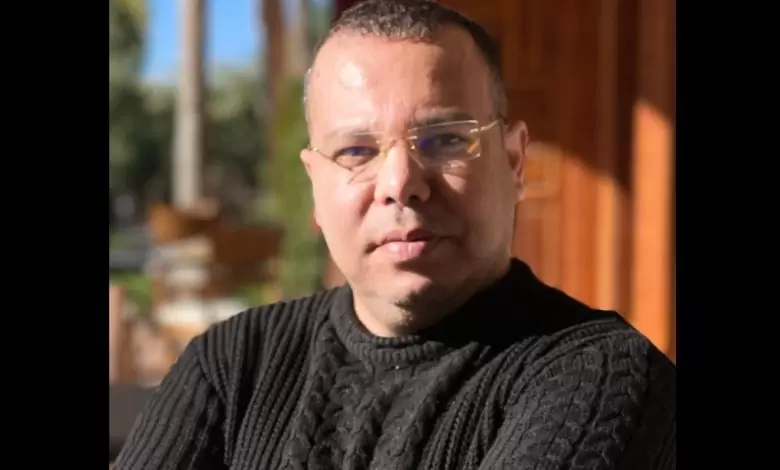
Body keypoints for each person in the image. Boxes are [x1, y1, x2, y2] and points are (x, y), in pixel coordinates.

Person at [114, 1, 676, 468]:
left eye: (446, 139)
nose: (400, 183)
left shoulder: (603, 377)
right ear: (315, 185)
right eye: (357, 150)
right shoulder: (233, 364)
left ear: (514, 163)